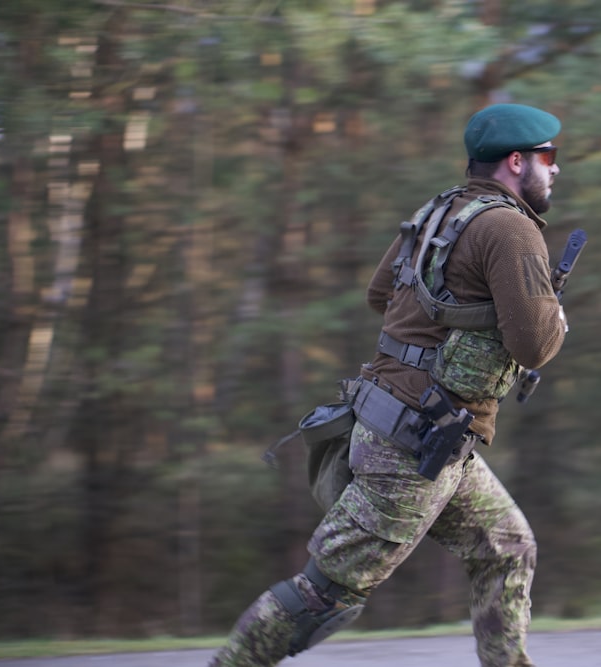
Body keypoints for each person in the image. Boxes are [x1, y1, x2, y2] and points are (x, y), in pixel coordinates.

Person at [209, 102, 568, 667]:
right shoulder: (511, 228)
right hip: (414, 444)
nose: (555, 170)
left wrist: (454, 319)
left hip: (424, 429)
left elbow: (382, 295)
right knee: (322, 594)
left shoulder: (438, 212)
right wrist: (543, 317)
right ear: (517, 162)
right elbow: (535, 345)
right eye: (549, 157)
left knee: (506, 548)